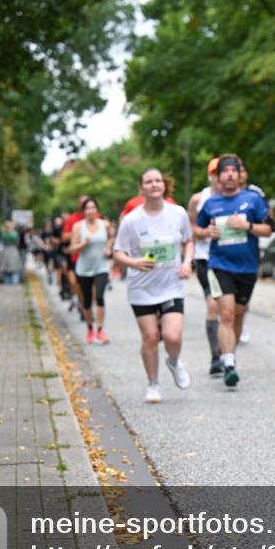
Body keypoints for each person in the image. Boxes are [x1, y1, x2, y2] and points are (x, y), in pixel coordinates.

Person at [113, 168, 194, 404]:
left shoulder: (178, 213)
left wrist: (187, 263)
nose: (154, 184)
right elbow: (118, 252)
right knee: (150, 337)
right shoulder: (132, 220)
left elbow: (189, 241)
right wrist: (133, 262)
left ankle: (174, 361)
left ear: (164, 185)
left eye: (158, 180)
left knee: (172, 336)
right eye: (148, 182)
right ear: (142, 188)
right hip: (142, 288)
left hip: (171, 285)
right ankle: (153, 384)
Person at [194, 155, 273, 388]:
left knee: (238, 315)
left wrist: (247, 226)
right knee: (225, 314)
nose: (229, 174)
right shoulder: (210, 205)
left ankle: (230, 353)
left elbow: (268, 229)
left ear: (240, 175)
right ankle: (228, 364)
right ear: (217, 178)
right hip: (220, 265)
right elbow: (196, 229)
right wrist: (207, 232)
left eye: (233, 171)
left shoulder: (253, 200)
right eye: (224, 171)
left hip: (247, 267)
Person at [188, 157, 224, 375]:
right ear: (210, 176)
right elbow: (191, 228)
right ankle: (215, 357)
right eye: (214, 174)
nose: (218, 179)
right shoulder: (198, 199)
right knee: (213, 305)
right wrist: (205, 233)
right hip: (206, 258)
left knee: (232, 310)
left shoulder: (239, 198)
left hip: (232, 259)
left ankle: (228, 351)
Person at [70, 197, 114, 344]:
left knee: (100, 296)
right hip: (84, 269)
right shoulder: (78, 227)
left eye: (93, 207)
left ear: (97, 210)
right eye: (87, 208)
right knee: (87, 301)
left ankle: (100, 330)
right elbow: (72, 248)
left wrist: (108, 248)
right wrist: (83, 244)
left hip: (101, 266)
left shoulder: (105, 225)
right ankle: (90, 329)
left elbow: (110, 239)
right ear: (83, 211)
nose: (90, 211)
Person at [235, 159, 266, 345]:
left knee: (240, 304)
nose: (237, 174)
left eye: (241, 169)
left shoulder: (255, 193)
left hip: (248, 253)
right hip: (221, 256)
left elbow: (268, 220)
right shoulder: (219, 194)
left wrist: (248, 225)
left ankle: (241, 321)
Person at [0, 220, 23, 284]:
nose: (7, 227)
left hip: (11, 250)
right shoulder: (10, 233)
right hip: (8, 249)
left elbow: (16, 242)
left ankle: (12, 280)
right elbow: (16, 242)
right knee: (7, 266)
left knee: (12, 266)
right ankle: (8, 280)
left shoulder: (10, 233)